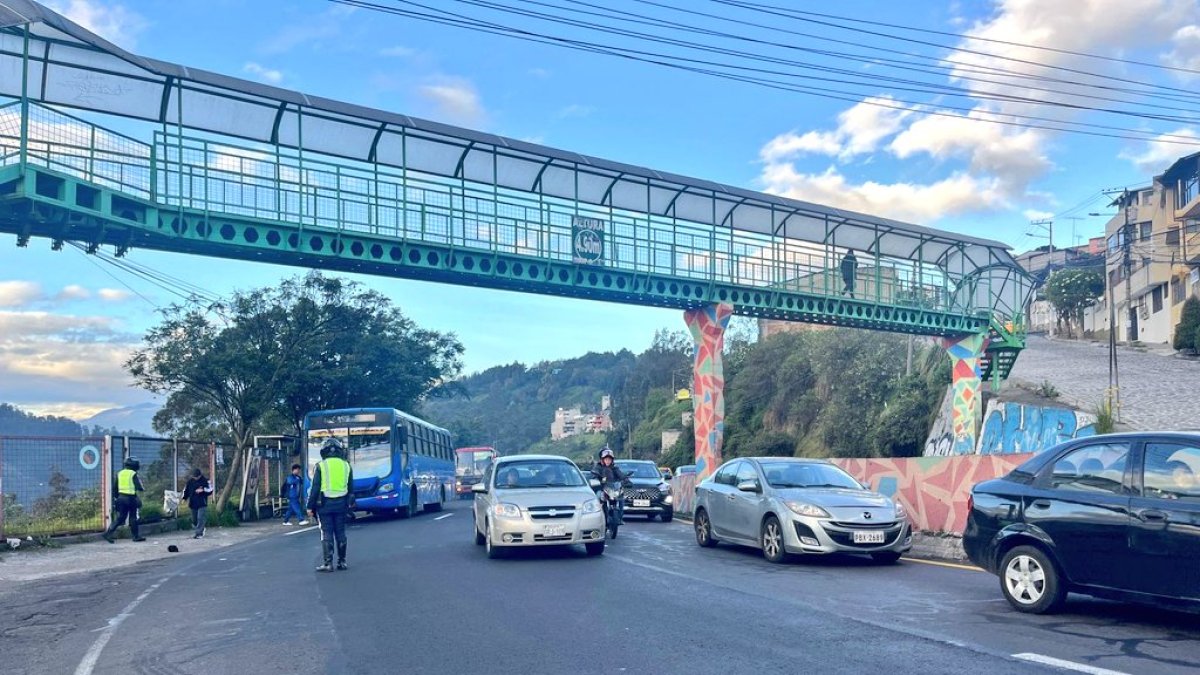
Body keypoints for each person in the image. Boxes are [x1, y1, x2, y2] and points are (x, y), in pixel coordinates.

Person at [308, 438, 354, 572]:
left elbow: (315, 488)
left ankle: (328, 564)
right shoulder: (346, 465)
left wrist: (310, 507)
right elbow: (351, 489)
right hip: (342, 505)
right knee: (340, 532)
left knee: (326, 532)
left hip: (324, 505)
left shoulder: (321, 466)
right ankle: (342, 562)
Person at [102, 457, 146, 543]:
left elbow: (115, 487)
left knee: (121, 518)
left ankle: (108, 533)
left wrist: (117, 497)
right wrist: (141, 489)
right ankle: (135, 536)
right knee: (133, 517)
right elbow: (139, 486)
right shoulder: (133, 474)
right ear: (134, 466)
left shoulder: (120, 473)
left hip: (121, 498)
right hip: (131, 498)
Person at [591, 447, 629, 525]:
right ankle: (596, 518)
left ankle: (620, 517)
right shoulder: (598, 467)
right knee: (598, 497)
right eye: (606, 459)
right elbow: (594, 475)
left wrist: (626, 480)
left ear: (612, 460)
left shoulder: (615, 468)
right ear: (602, 460)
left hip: (613, 489)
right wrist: (597, 479)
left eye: (609, 459)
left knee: (621, 498)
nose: (608, 461)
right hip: (602, 488)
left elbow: (620, 475)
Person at [182, 468, 214, 539]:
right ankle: (201, 528)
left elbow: (210, 490)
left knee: (200, 518)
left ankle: (199, 533)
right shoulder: (190, 482)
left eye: (197, 477)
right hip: (193, 503)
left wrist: (203, 490)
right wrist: (184, 498)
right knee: (194, 520)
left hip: (202, 503)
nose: (195, 478)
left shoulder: (205, 481)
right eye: (194, 477)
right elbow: (186, 490)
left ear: (200, 475)